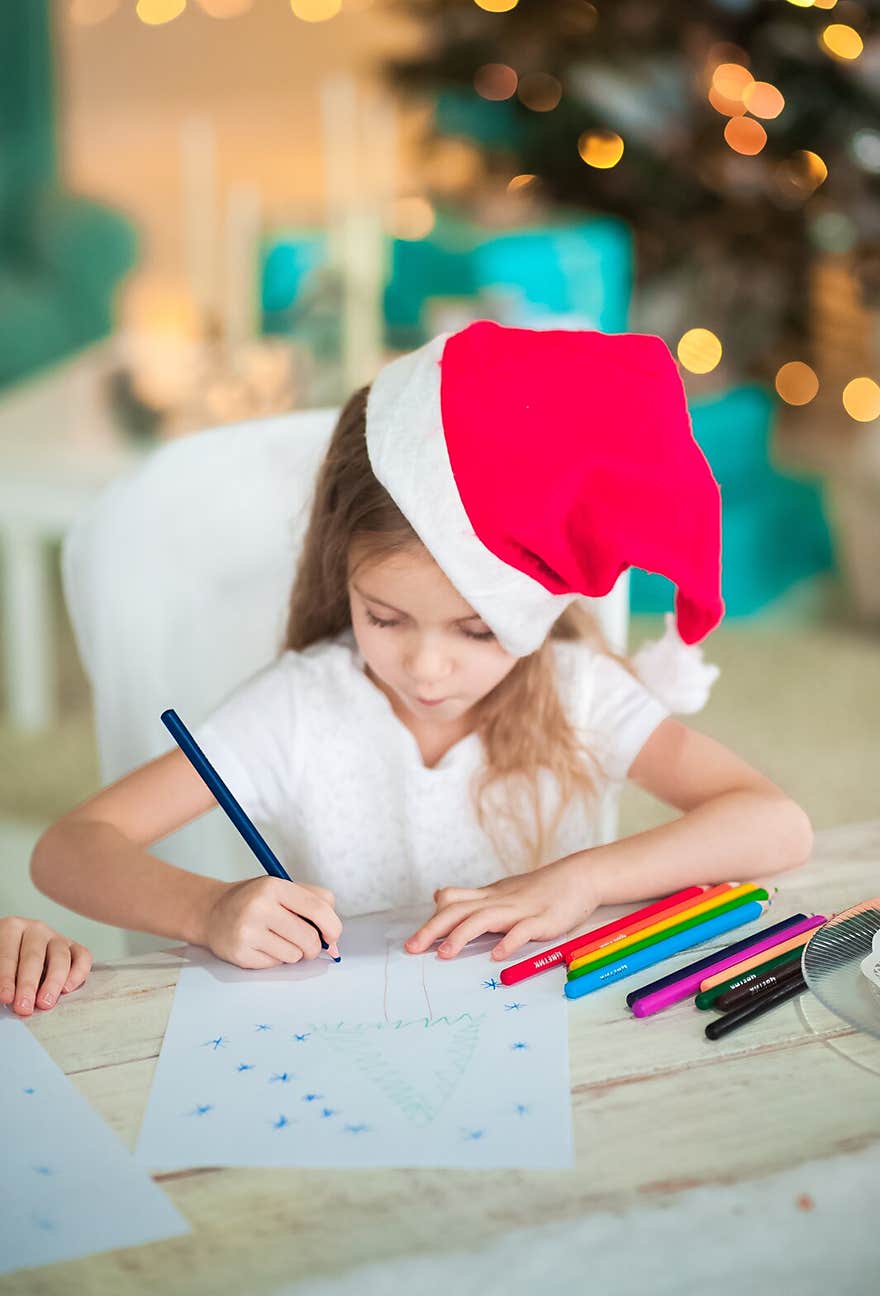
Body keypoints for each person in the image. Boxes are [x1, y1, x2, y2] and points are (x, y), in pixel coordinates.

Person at [7, 321, 812, 1001]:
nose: (427, 669)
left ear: (538, 609)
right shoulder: (300, 705)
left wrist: (585, 879)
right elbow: (70, 848)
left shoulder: (579, 693)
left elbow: (776, 824)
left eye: (478, 631)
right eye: (385, 618)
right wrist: (209, 910)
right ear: (341, 578)